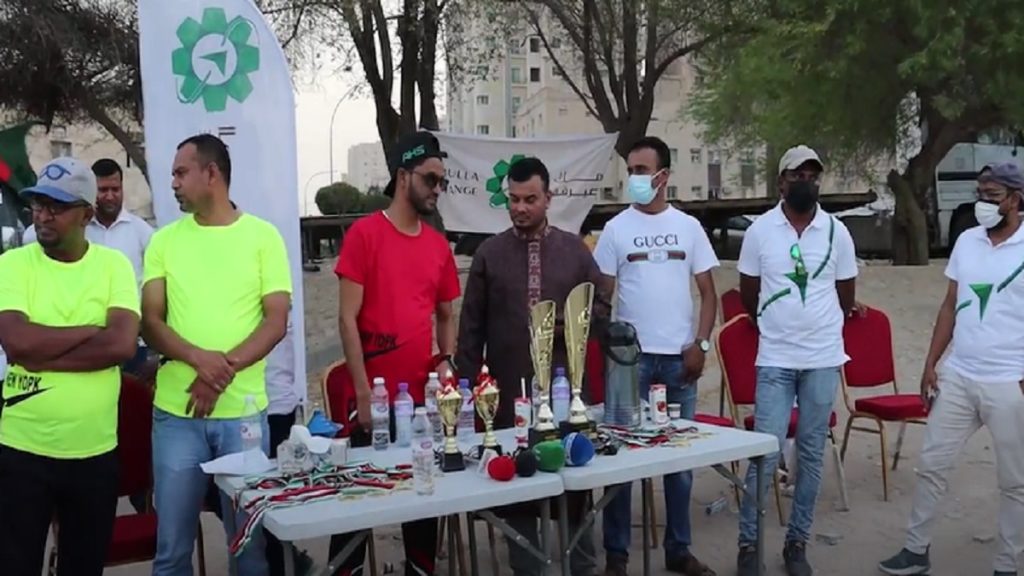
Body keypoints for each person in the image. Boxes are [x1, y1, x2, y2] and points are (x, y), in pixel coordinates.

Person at [142, 134, 291, 576]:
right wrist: (199, 359)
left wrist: (217, 374)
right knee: (172, 552)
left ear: (212, 174)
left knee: (249, 550)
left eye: (180, 172)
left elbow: (275, 323)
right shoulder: (163, 242)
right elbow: (151, 322)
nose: (173, 183)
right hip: (177, 416)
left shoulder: (264, 237)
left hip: (243, 417)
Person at [456, 156, 608, 576]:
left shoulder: (575, 252)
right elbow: (470, 330)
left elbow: (601, 308)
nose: (520, 208)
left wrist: (565, 326)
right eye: (514, 199)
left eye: (530, 199)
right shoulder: (489, 254)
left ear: (548, 198)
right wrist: (467, 399)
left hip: (565, 394)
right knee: (519, 490)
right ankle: (528, 568)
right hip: (509, 396)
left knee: (574, 487)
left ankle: (583, 568)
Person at [879, 163, 1024, 576]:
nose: (983, 203)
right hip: (959, 374)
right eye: (980, 194)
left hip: (1009, 381)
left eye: (993, 196)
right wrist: (931, 363)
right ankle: (915, 550)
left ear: (1016, 199)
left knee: (1015, 481)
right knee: (932, 464)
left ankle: (1006, 564)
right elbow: (950, 306)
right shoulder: (966, 242)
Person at [0, 157, 140, 576]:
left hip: (93, 453)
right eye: (39, 204)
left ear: (86, 215)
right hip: (22, 451)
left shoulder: (113, 266)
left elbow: (121, 345)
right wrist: (90, 330)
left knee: (83, 568)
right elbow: (17, 343)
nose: (43, 216)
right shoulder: (12, 264)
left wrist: (41, 352)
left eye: (56, 207)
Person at [332, 131, 459, 576]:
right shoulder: (365, 235)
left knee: (422, 502)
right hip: (370, 398)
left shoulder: (438, 245)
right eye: (430, 179)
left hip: (421, 403)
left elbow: (446, 314)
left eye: (443, 181)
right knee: (354, 505)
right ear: (403, 176)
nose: (437, 189)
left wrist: (446, 359)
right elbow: (346, 319)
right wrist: (363, 392)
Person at [593, 136, 719, 576]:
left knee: (678, 461)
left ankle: (678, 550)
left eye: (642, 171)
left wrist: (701, 345)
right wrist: (609, 345)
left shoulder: (689, 227)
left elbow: (708, 294)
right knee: (622, 458)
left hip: (680, 361)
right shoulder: (615, 230)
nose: (635, 178)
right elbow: (603, 297)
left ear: (663, 176)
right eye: (631, 170)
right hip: (630, 364)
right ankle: (617, 555)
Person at [734, 145, 858, 576]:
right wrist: (775, 323)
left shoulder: (837, 232)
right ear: (780, 182)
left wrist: (818, 326)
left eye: (811, 175)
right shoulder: (759, 232)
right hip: (775, 358)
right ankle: (749, 544)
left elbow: (846, 294)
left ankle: (797, 542)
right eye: (796, 175)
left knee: (810, 453)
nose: (805, 182)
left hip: (823, 358)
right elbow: (748, 293)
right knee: (764, 454)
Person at [23, 158, 155, 378]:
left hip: (128, 342)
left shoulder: (143, 233)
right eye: (103, 190)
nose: (110, 196)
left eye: (115, 189)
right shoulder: (43, 236)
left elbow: (150, 289)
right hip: (59, 336)